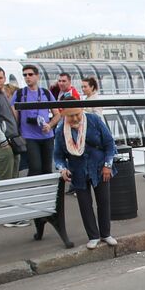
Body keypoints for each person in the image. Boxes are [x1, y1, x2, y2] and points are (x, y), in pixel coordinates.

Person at [53, 98, 118, 248]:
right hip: (78, 171)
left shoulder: (94, 120)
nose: (75, 118)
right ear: (63, 114)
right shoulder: (60, 130)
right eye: (71, 116)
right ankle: (93, 236)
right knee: (84, 204)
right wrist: (62, 168)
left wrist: (107, 165)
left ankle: (106, 234)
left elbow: (109, 144)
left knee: (104, 201)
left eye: (77, 114)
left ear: (82, 109)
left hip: (100, 168)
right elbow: (57, 155)